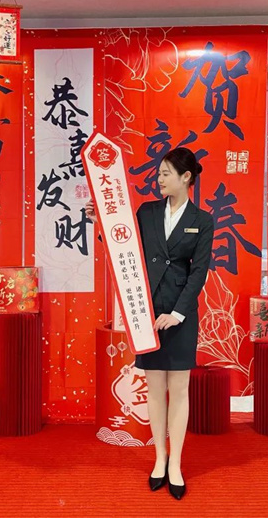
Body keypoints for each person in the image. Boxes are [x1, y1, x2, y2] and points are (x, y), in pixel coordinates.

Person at [85, 147, 214, 500]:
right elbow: (124, 248)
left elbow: (199, 273)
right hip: (146, 312)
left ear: (186, 177)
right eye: (159, 174)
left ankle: (176, 464)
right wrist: (101, 224)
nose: (159, 180)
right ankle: (160, 458)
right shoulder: (147, 211)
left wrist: (178, 313)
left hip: (180, 315)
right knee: (155, 389)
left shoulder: (202, 220)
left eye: (165, 174)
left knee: (180, 390)